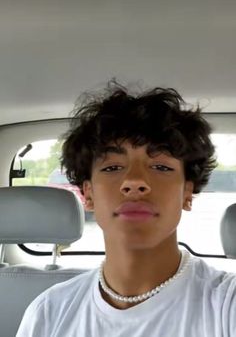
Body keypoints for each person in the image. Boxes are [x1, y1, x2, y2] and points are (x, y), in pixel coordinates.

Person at [16, 81, 236, 336]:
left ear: (187, 193)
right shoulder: (49, 312)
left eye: (161, 167)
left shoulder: (226, 305)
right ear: (88, 194)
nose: (135, 182)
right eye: (112, 167)